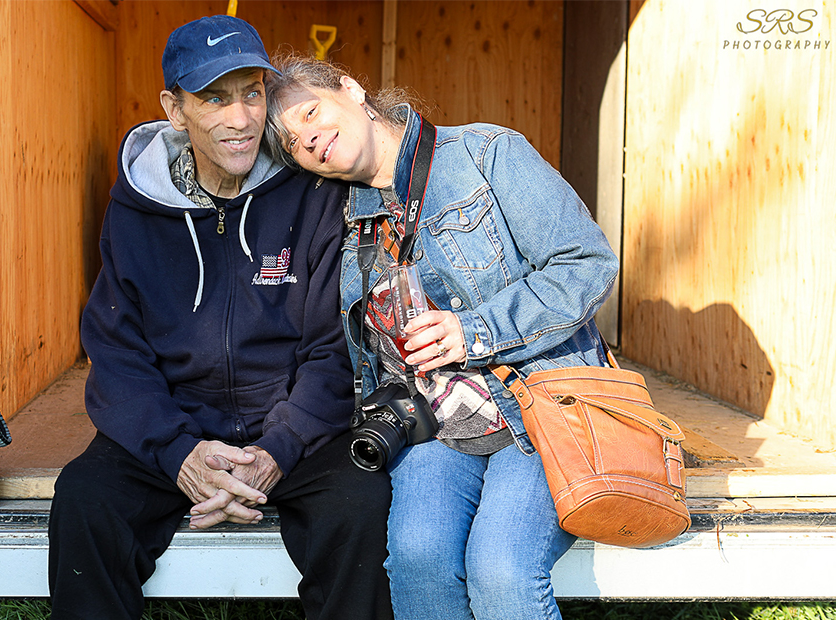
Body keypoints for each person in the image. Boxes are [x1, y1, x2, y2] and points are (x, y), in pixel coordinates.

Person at [47, 19, 393, 620]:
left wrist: (276, 451)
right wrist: (180, 453)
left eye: (251, 93)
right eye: (213, 98)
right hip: (177, 424)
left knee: (360, 505)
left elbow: (332, 349)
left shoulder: (311, 191)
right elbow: (118, 352)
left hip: (294, 430)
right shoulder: (136, 207)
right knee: (84, 502)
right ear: (174, 109)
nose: (240, 118)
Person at [264, 54, 619, 620]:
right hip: (435, 424)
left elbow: (586, 262)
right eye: (292, 144)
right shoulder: (338, 221)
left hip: (544, 405)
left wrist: (474, 330)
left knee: (500, 568)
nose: (309, 139)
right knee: (415, 557)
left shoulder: (486, 154)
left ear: (352, 90)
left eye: (311, 112)